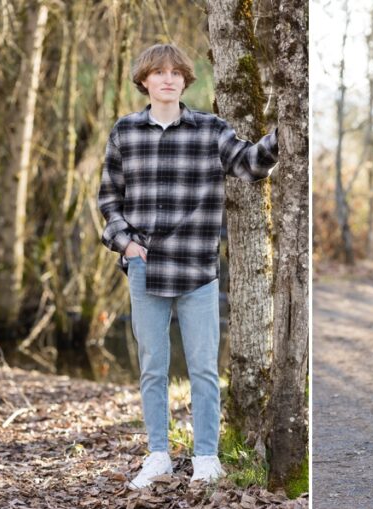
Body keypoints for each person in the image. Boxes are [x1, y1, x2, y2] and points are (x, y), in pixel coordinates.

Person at [97, 43, 278, 490]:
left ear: (185, 81)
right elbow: (109, 199)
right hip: (145, 268)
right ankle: (158, 455)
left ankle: (206, 457)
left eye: (176, 73)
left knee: (203, 369)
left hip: (197, 269)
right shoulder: (125, 132)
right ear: (144, 81)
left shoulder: (210, 129)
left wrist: (285, 132)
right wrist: (126, 244)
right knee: (153, 367)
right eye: (159, 72)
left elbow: (250, 165)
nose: (168, 79)